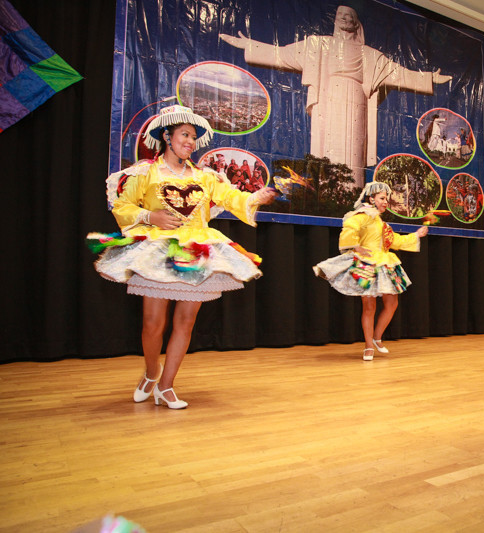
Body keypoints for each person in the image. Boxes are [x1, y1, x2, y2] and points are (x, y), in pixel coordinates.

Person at [88, 105, 278, 409]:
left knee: (186, 322)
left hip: (196, 251)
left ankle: (166, 386)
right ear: (167, 136)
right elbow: (123, 207)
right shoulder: (146, 172)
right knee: (152, 323)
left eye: (193, 137)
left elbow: (233, 197)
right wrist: (151, 216)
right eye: (185, 135)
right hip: (158, 250)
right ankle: (152, 372)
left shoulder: (205, 177)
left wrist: (257, 197)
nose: (190, 142)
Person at [221, 5, 452, 186]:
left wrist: (429, 78)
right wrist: (250, 45)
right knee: (328, 150)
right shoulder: (318, 45)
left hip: (357, 101)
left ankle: (352, 193)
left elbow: (397, 73)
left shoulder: (369, 55)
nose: (345, 18)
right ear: (335, 20)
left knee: (354, 152)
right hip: (329, 98)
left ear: (356, 23)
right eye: (341, 14)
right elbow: (283, 54)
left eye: (349, 15)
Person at [313, 181, 428, 361]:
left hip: (385, 263)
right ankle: (368, 346)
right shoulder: (364, 215)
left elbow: (394, 241)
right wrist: (355, 246)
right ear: (371, 199)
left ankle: (377, 337)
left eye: (386, 199)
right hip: (367, 263)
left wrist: (416, 235)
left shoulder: (381, 223)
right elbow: (350, 226)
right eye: (382, 198)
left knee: (392, 303)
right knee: (369, 307)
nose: (385, 202)